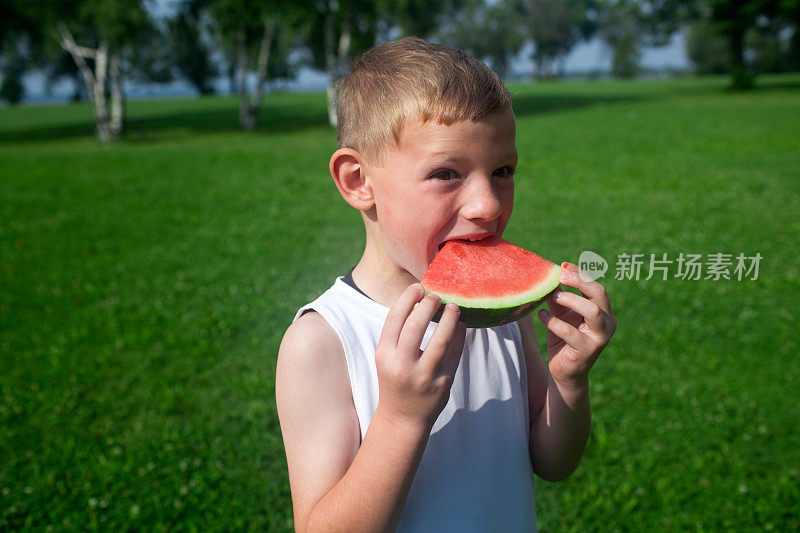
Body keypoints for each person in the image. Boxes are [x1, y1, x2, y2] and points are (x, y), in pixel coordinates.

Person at [276, 37, 617, 532]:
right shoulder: (322, 343)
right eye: (445, 174)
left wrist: (569, 379)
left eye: (503, 171)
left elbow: (553, 462)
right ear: (357, 181)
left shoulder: (506, 320)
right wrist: (402, 417)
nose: (488, 205)